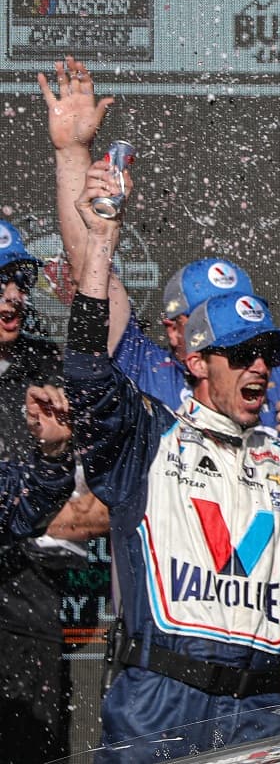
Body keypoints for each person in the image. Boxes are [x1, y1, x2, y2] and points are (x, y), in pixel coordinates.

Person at [65, 159, 280, 761]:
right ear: (198, 362)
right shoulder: (149, 436)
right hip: (162, 697)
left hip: (262, 707)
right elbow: (87, 375)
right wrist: (101, 244)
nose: (259, 366)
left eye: (265, 352)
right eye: (239, 353)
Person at [41, 57, 280, 432]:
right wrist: (72, 152)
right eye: (209, 319)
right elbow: (91, 269)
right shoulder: (145, 371)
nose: (250, 357)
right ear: (175, 332)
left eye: (249, 339)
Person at [0, 221, 93, 763]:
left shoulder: (50, 373)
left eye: (19, 279)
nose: (12, 295)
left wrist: (28, 511)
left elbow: (106, 504)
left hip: (28, 624)